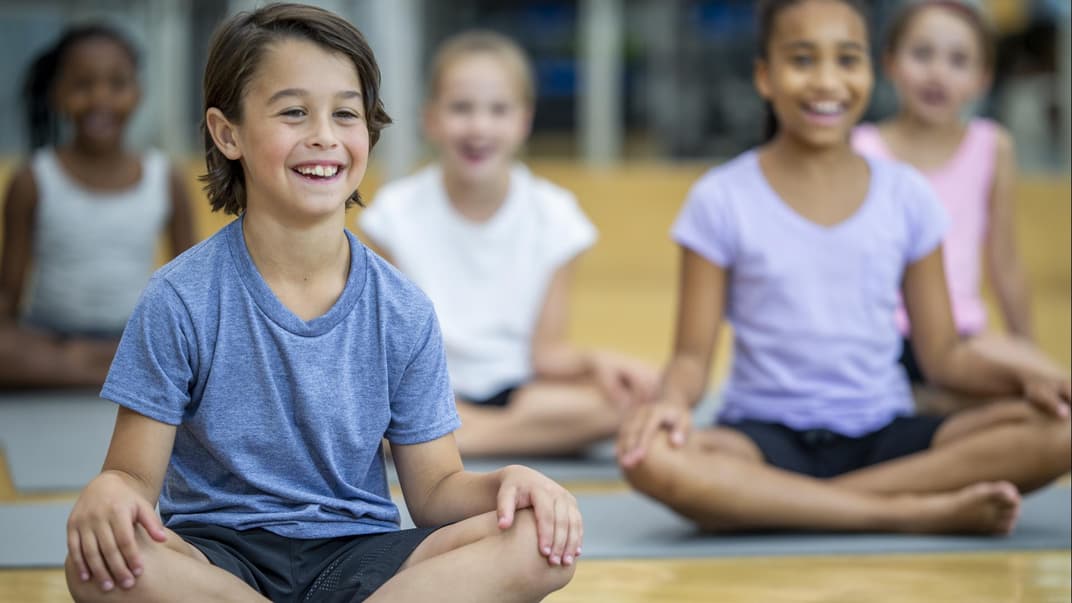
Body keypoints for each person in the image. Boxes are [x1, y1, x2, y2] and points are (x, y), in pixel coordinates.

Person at [64, 5, 579, 602]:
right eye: (293, 112)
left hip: (361, 554)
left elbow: (436, 491)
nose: (324, 137)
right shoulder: (179, 298)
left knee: (539, 541)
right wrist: (110, 491)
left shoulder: (403, 309)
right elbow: (132, 477)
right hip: (218, 558)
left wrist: (511, 481)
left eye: (345, 114)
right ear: (226, 132)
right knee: (96, 567)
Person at [617, 0, 1070, 536]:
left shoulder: (907, 197)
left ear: (870, 73)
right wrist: (669, 403)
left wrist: (1030, 374)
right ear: (765, 76)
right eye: (803, 60)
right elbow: (692, 358)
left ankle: (785, 506)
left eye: (847, 60)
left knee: (1059, 430)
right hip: (763, 438)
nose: (827, 81)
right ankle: (902, 511)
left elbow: (945, 356)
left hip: (883, 431)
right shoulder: (719, 198)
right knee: (651, 457)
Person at [360, 30, 658, 457]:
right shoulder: (394, 214)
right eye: (461, 108)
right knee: (368, 411)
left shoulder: (556, 215)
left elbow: (548, 353)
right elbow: (390, 355)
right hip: (426, 392)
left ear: (524, 121)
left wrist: (599, 362)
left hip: (524, 392)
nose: (480, 126)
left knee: (639, 397)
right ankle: (486, 435)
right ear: (431, 118)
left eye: (498, 110)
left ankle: (460, 440)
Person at [852, 0, 1066, 412]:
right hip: (878, 340)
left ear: (982, 78)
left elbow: (1005, 262)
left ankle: (925, 406)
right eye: (922, 54)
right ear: (890, 63)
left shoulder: (991, 146)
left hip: (963, 337)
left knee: (1054, 394)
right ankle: (916, 407)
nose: (937, 72)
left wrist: (1026, 353)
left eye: (958, 60)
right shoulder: (862, 148)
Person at [0, 24, 195, 389]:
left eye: (117, 84)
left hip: (132, 336)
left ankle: (90, 368)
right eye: (82, 85)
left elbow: (192, 286)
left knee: (192, 348)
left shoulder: (164, 177)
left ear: (138, 92)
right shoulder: (32, 179)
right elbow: (8, 294)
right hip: (50, 338)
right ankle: (123, 375)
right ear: (57, 94)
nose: (100, 99)